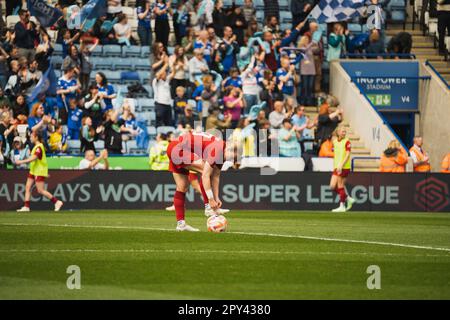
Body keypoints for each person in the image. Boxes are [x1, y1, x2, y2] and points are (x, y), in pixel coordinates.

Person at [166, 131, 234, 231]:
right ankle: (208, 208)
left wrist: (216, 198)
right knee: (206, 171)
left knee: (182, 187)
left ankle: (181, 224)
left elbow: (216, 176)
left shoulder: (223, 154)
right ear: (228, 147)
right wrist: (210, 200)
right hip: (178, 148)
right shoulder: (218, 148)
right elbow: (206, 175)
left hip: (174, 147)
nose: (231, 159)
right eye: (233, 155)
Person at [16, 132, 64, 212]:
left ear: (36, 137)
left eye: (31, 136)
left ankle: (57, 202)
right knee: (28, 187)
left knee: (40, 190)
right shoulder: (36, 147)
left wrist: (21, 162)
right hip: (33, 170)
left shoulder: (39, 147)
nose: (30, 138)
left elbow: (34, 158)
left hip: (39, 171)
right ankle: (26, 207)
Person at [330, 126, 355, 213]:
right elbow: (335, 153)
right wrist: (337, 165)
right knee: (332, 186)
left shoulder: (347, 141)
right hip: (337, 166)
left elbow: (347, 155)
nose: (344, 133)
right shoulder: (335, 142)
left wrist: (341, 164)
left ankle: (342, 206)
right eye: (342, 131)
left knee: (340, 185)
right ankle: (348, 198)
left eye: (345, 132)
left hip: (344, 167)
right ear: (338, 132)